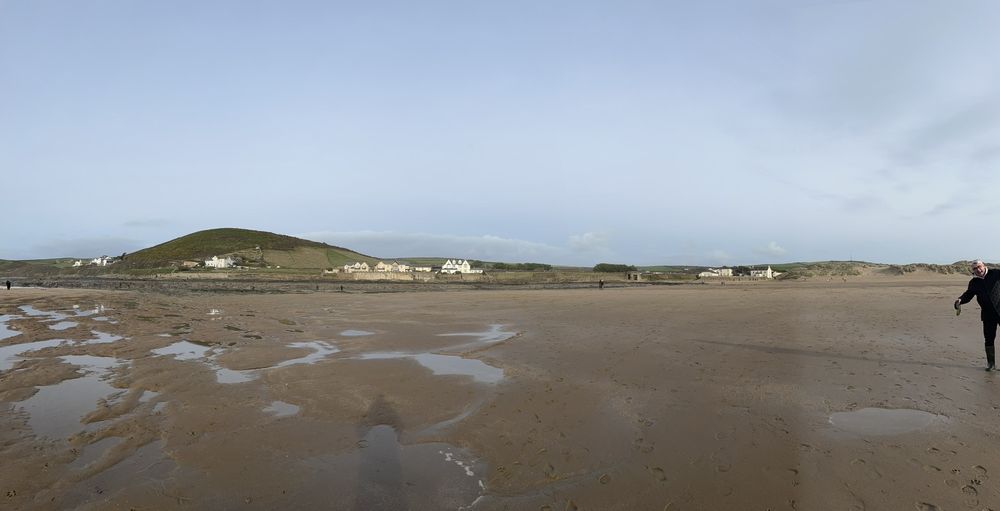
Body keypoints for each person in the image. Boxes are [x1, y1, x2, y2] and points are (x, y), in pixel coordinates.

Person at [955, 260, 1000, 371]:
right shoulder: (974, 282)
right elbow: (968, 295)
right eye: (974, 268)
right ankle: (991, 364)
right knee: (989, 339)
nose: (977, 270)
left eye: (979, 267)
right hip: (988, 315)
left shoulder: (996, 273)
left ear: (984, 266)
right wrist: (960, 300)